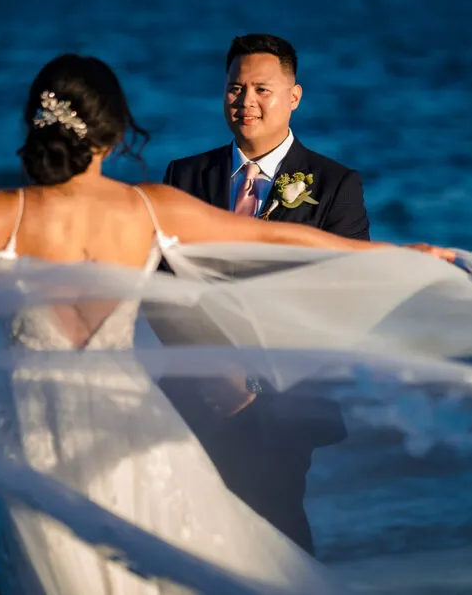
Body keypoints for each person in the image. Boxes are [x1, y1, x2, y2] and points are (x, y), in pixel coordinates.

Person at [0, 53, 453, 595]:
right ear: (112, 130)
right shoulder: (147, 208)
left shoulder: (5, 213)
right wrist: (394, 252)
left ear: (39, 124)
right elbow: (288, 239)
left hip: (37, 449)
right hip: (139, 437)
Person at [158, 33, 370, 555]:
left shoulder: (335, 183)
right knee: (192, 531)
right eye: (234, 88)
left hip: (285, 397)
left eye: (261, 89)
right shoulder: (184, 175)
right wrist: (212, 369)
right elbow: (158, 287)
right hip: (195, 392)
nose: (245, 101)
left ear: (294, 96)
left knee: (274, 531)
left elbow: (344, 295)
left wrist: (252, 376)